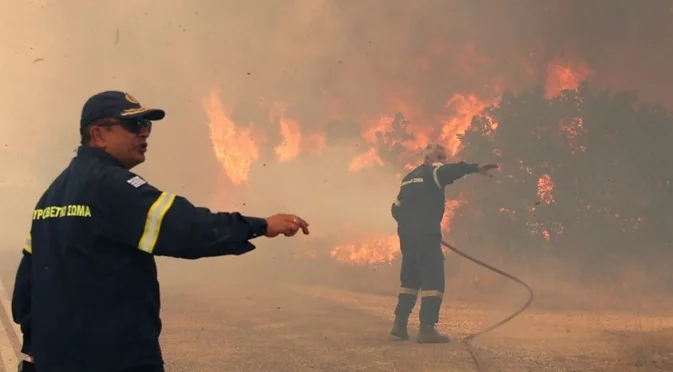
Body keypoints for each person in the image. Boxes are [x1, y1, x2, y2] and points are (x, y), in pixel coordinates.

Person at [11, 90, 310, 372]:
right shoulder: (113, 186)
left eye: (146, 125)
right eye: (132, 124)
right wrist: (260, 226)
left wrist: (39, 347)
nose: (143, 132)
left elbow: (27, 283)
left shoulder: (52, 195)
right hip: (116, 359)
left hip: (57, 359)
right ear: (98, 135)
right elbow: (184, 227)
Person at [389, 143, 498, 344]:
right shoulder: (433, 173)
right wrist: (474, 167)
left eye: (444, 157)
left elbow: (395, 209)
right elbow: (451, 170)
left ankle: (399, 325)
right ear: (428, 158)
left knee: (410, 280)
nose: (443, 160)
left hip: (408, 237)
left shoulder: (407, 179)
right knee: (433, 280)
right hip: (426, 237)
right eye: (440, 156)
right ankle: (427, 329)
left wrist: (410, 224)